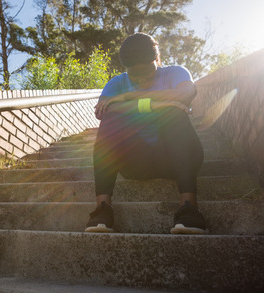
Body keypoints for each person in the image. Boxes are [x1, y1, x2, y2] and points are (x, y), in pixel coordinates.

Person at [85, 32, 206, 234]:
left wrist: (130, 97)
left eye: (148, 74)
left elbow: (187, 93)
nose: (142, 80)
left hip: (177, 157)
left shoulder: (174, 72)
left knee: (173, 113)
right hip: (136, 163)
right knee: (111, 121)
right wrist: (163, 102)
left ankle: (189, 208)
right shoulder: (117, 83)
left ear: (156, 60)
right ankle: (102, 210)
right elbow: (104, 111)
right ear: (126, 70)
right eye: (134, 76)